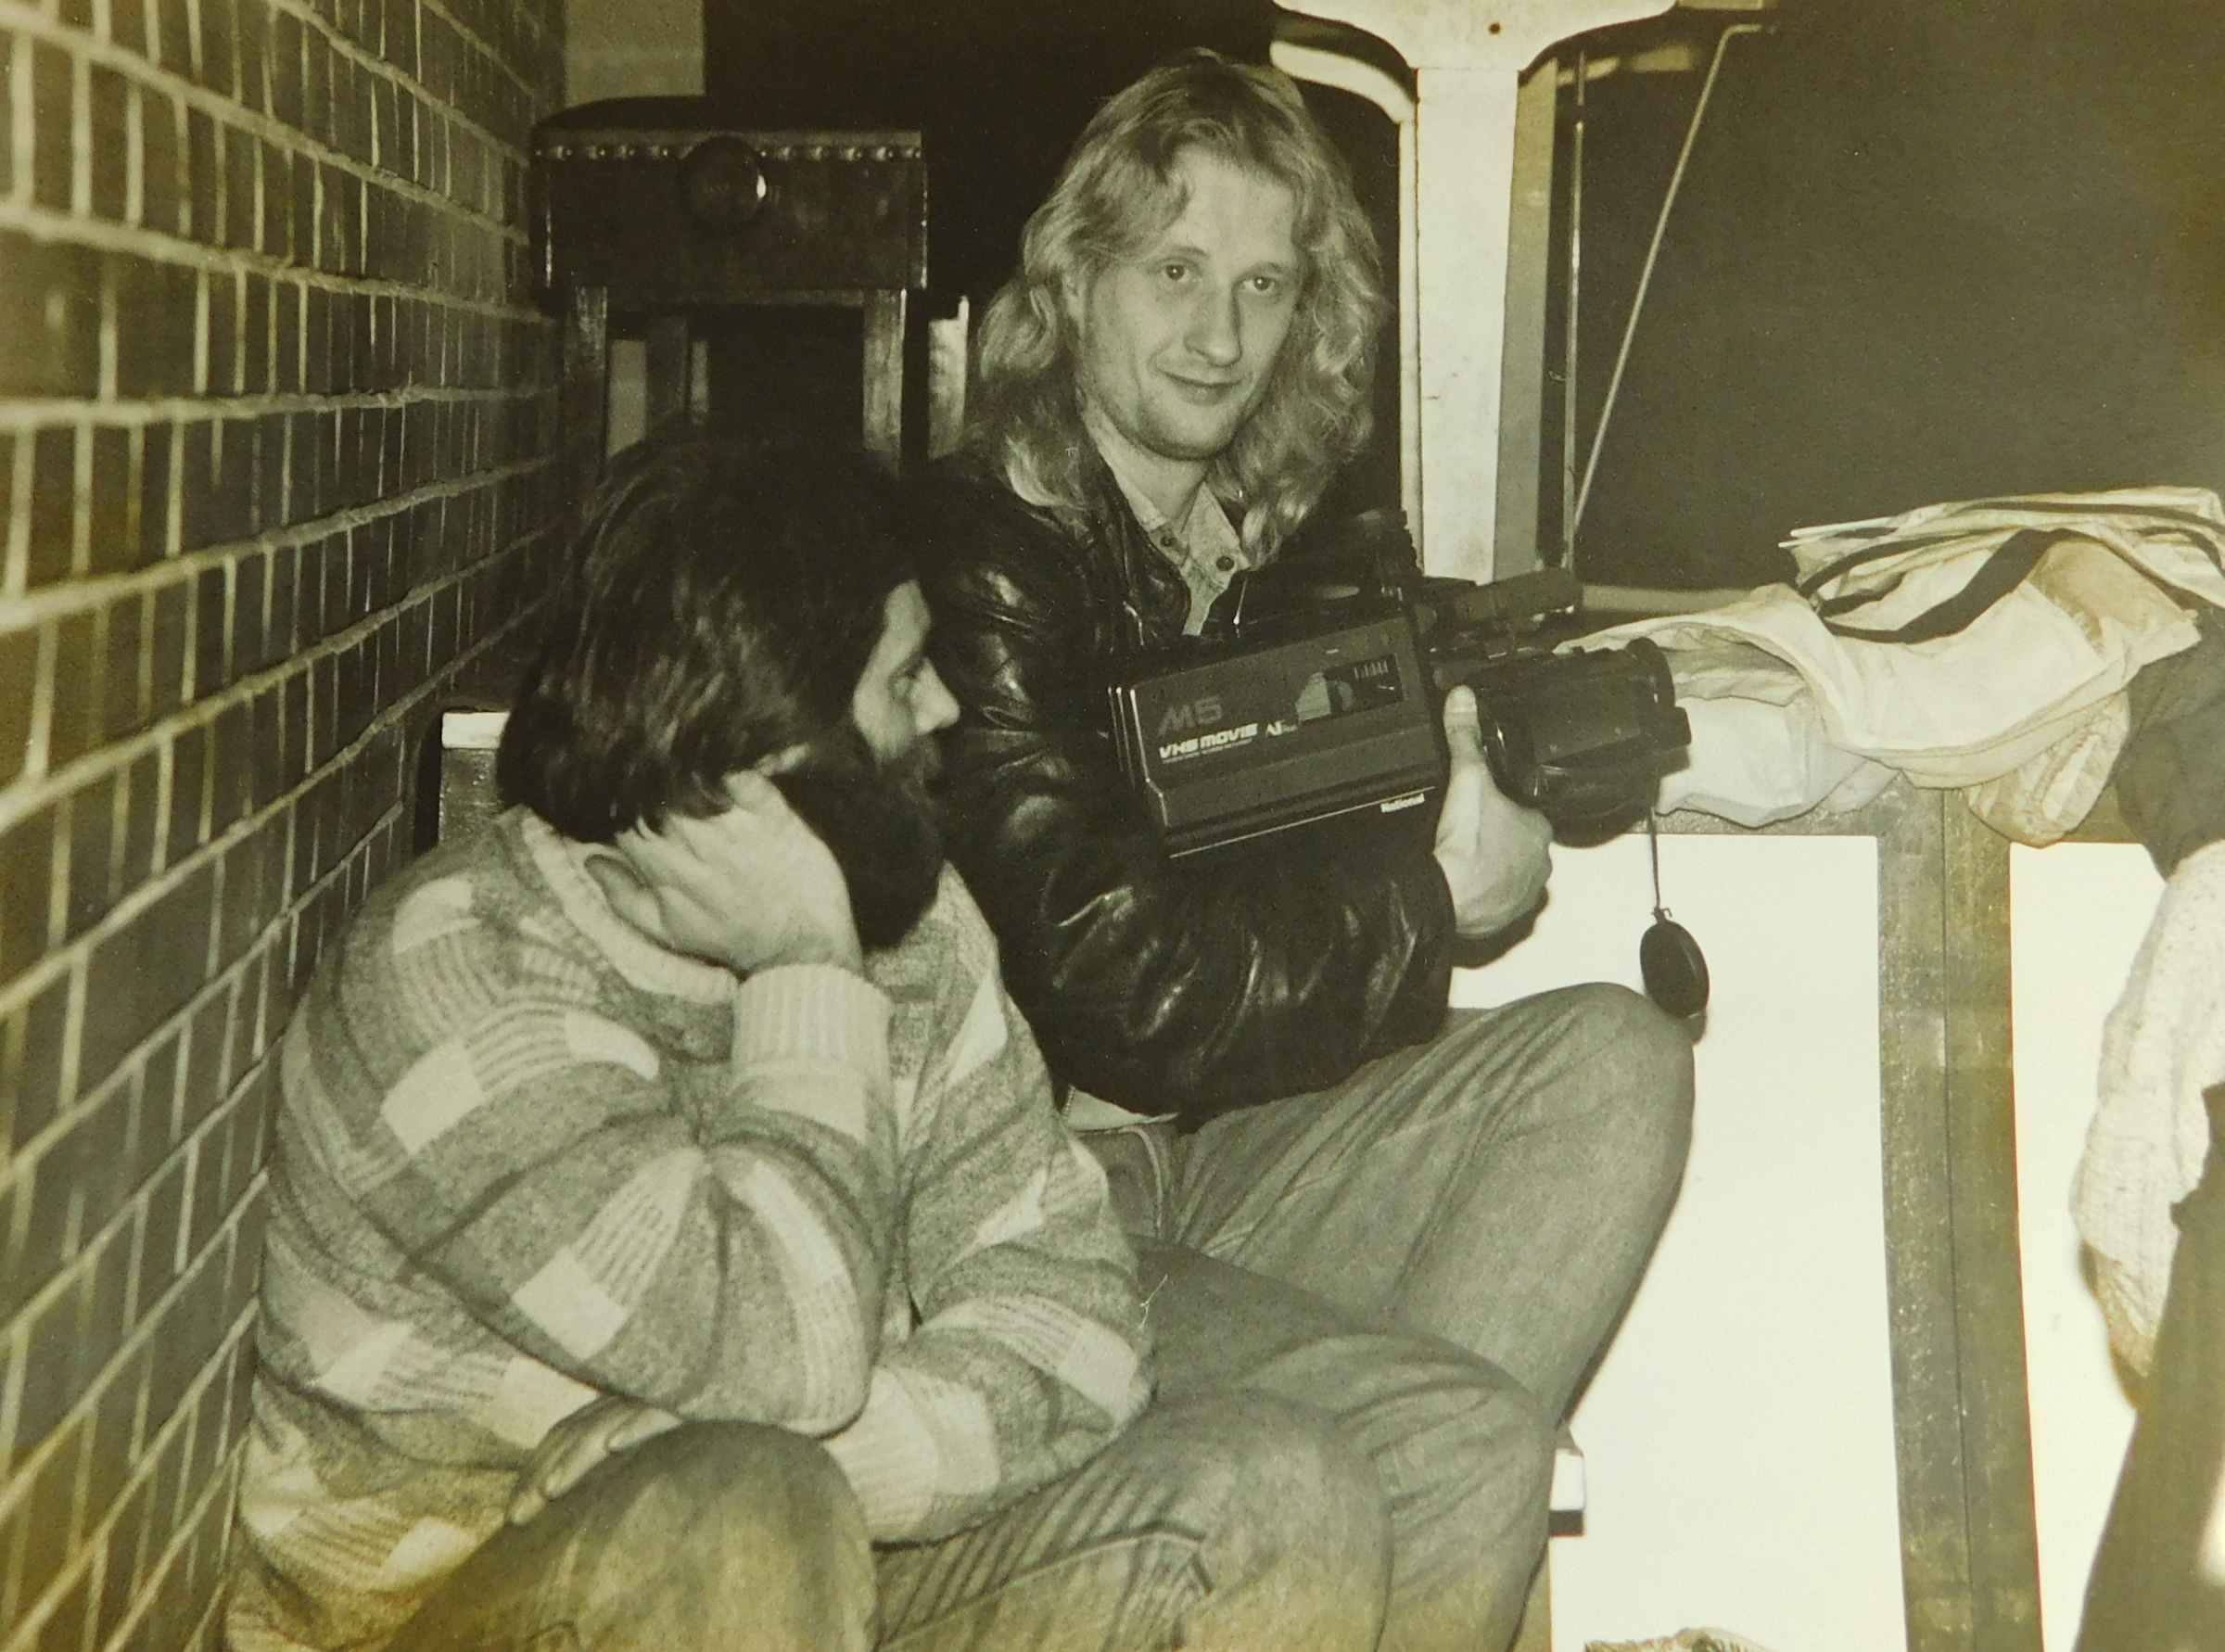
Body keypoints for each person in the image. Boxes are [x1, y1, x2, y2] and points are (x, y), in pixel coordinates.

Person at [223, 436, 1417, 1652]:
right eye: (905, 678)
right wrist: (804, 965)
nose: (946, 708)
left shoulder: (908, 918)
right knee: (741, 1505)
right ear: (773, 734)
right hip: (441, 1611)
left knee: (1284, 1491)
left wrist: (850, 1446)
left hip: (819, 1564)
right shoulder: (460, 980)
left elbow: (1083, 1321)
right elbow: (788, 1357)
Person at [918, 49, 1698, 1645]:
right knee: (1463, 1438)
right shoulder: (980, 551)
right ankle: (1408, 1492)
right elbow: (1111, 983)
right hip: (1036, 1197)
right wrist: (1429, 900)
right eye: (1176, 271)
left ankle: (1382, 1552)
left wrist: (1478, 760)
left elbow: (1254, 872)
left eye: (1265, 285)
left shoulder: (1243, 547)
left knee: (1615, 1061)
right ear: (1076, 283)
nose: (1221, 335)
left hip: (1222, 1145)